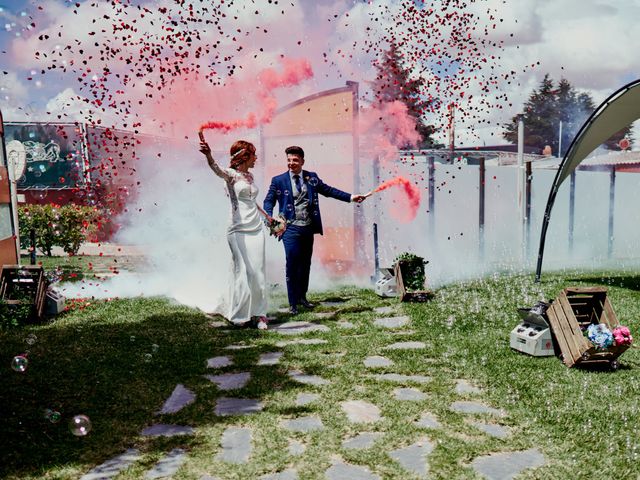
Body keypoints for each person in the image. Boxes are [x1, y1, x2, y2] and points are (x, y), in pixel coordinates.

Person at [263, 145, 367, 315]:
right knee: (292, 263)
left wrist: (351, 197)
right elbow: (269, 201)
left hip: (308, 228)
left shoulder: (312, 178)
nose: (291, 163)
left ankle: (302, 297)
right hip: (289, 229)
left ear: (302, 161)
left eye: (295, 160)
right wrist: (269, 216)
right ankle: (293, 302)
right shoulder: (278, 180)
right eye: (289, 160)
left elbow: (328, 191)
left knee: (305, 264)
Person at [200, 138, 269, 330]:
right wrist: (208, 155)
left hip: (256, 227)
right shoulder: (230, 175)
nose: (256, 158)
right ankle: (240, 315)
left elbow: (251, 201)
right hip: (237, 228)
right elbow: (216, 168)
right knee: (243, 271)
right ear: (245, 156)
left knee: (258, 271)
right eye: (254, 154)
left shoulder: (251, 177)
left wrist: (267, 218)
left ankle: (259, 314)